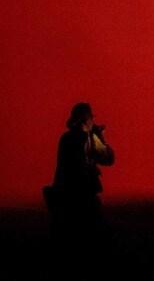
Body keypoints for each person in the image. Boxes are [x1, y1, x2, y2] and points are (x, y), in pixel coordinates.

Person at [47, 102, 115, 240]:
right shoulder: (88, 138)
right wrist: (101, 137)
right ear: (86, 119)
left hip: (68, 197)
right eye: (91, 118)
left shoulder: (67, 138)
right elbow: (108, 159)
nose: (93, 121)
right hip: (83, 196)